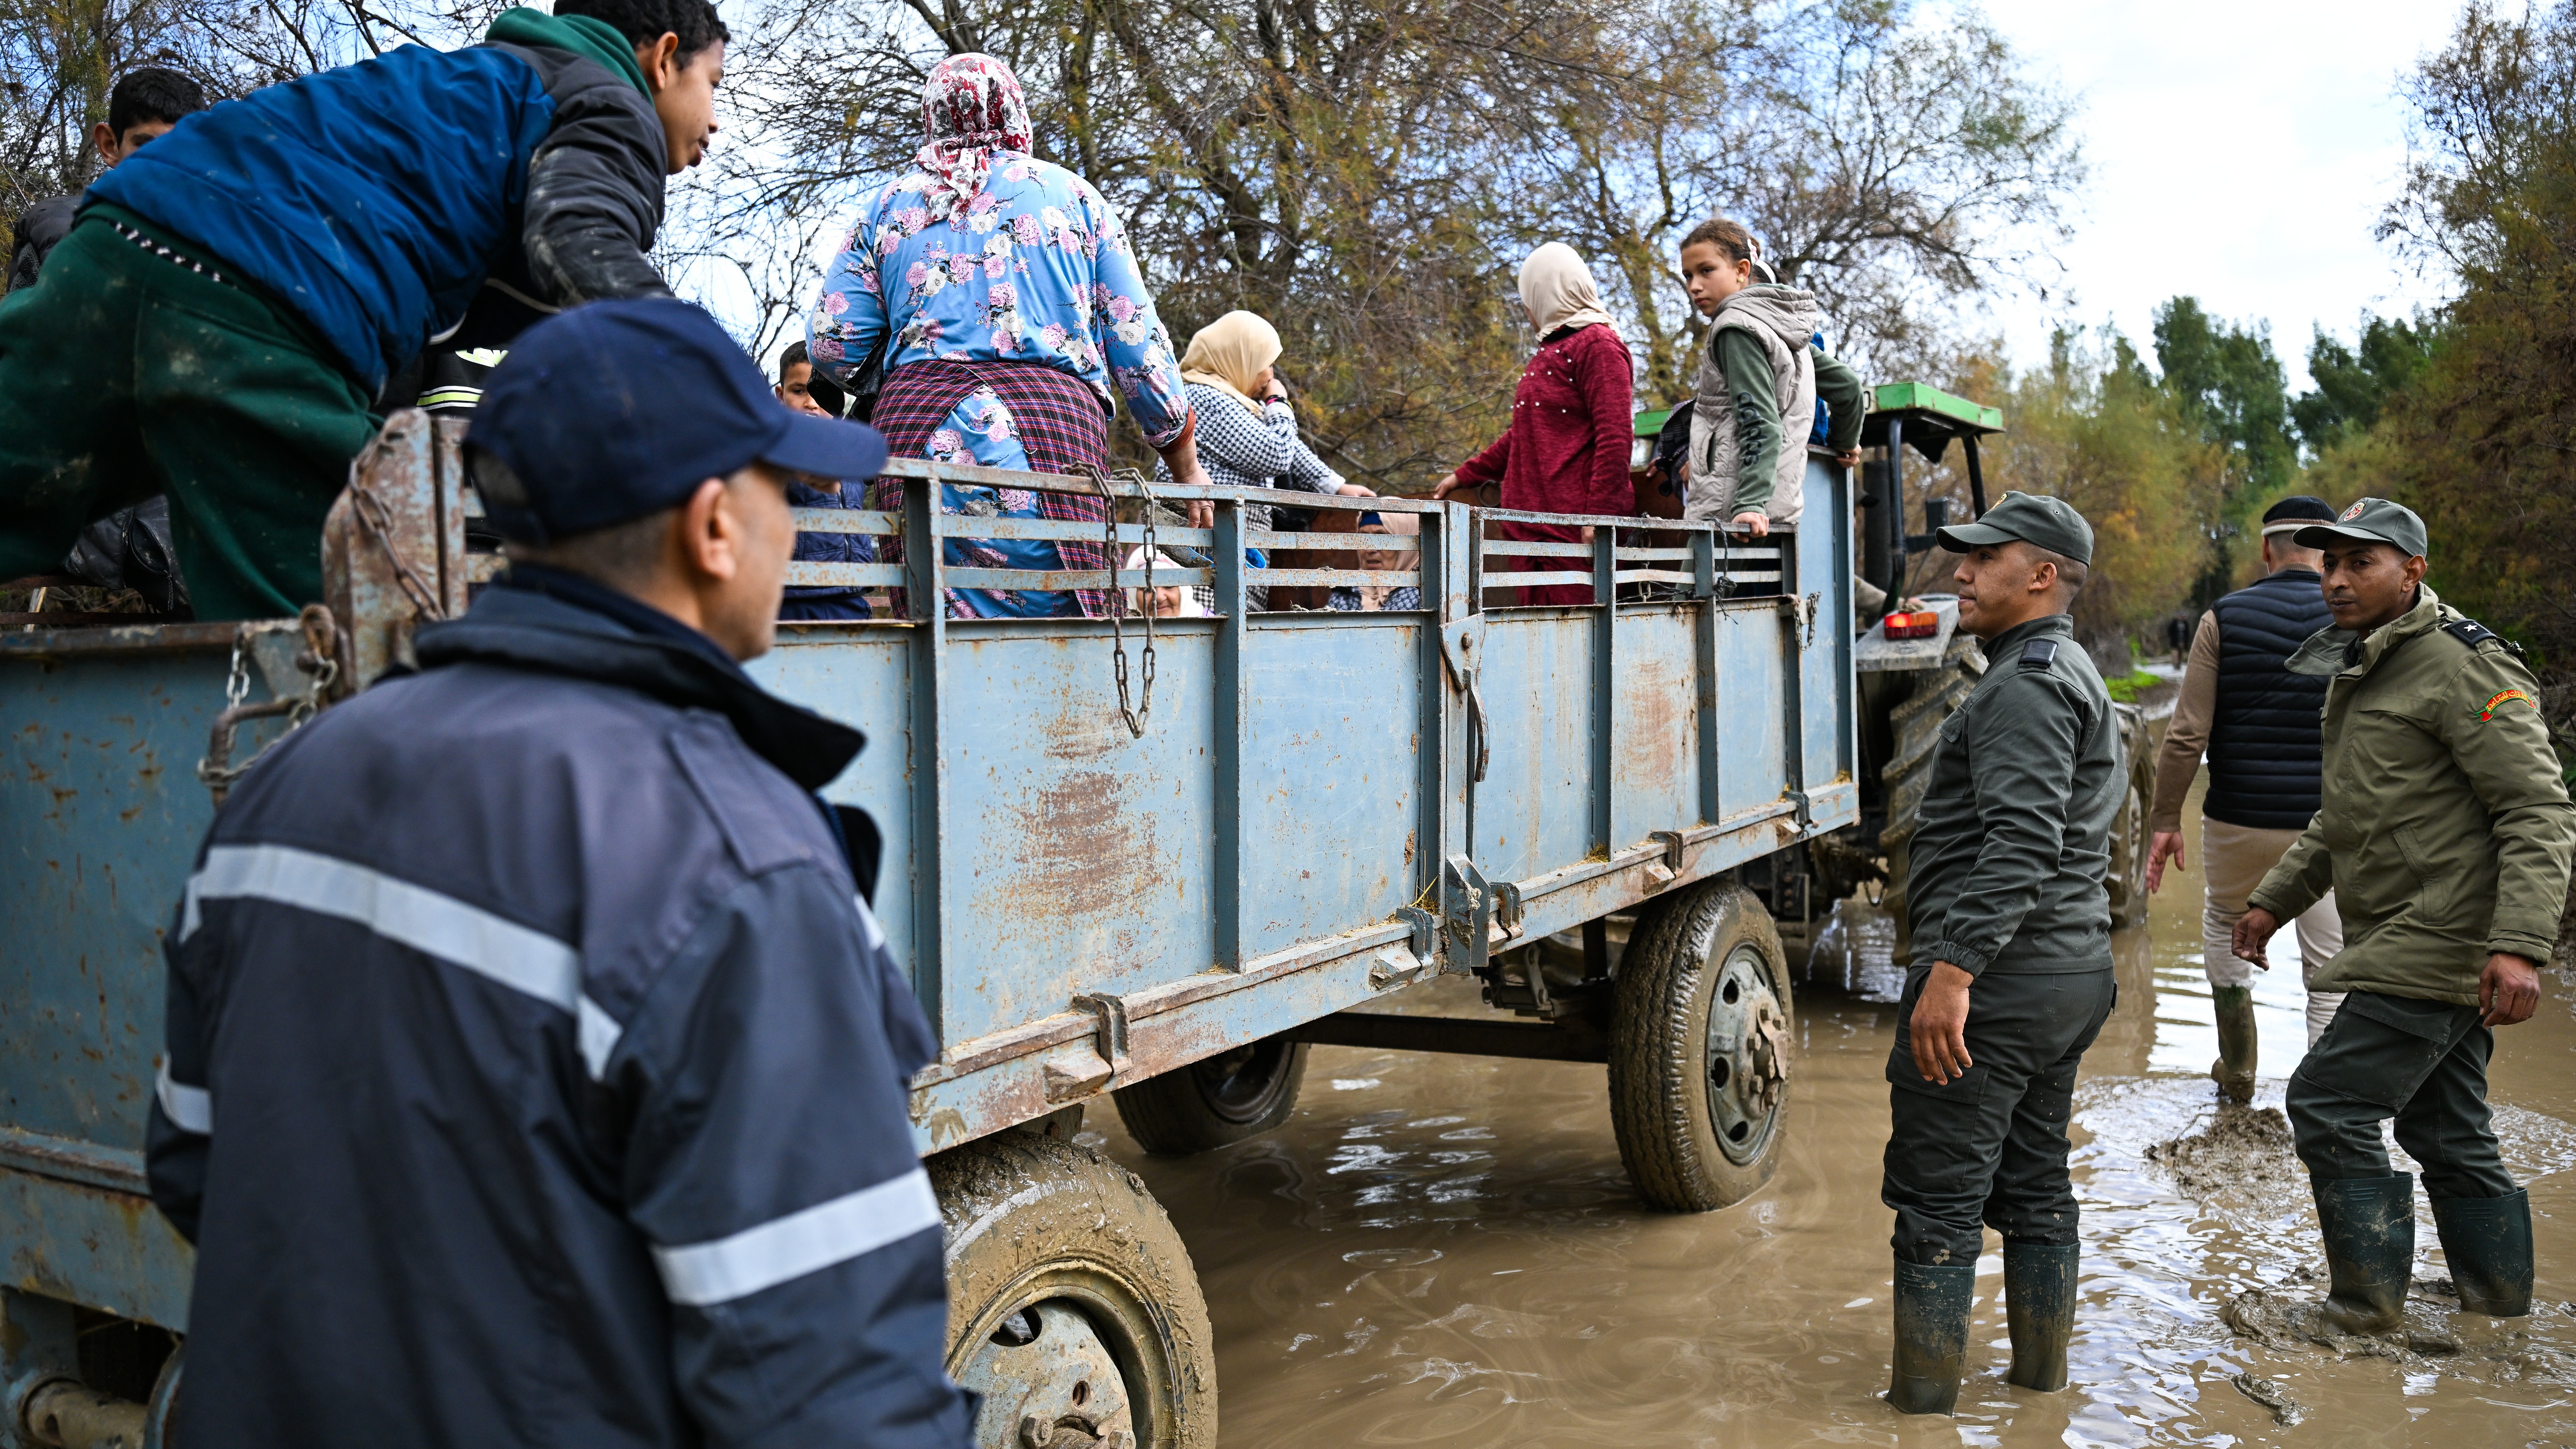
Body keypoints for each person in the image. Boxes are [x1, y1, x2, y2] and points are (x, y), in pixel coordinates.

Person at [145, 298, 970, 1447]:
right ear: (714, 527)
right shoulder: (735, 866)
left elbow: (194, 1163)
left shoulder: (291, 781)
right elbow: (834, 1397)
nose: (799, 521)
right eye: (786, 487)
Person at [0, 0, 724, 620]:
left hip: (117, 237)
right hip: (259, 304)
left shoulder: (454, 94)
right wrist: (717, 390)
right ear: (663, 61)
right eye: (715, 85)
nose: (715, 122)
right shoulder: (607, 101)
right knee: (329, 646)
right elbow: (578, 240)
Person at [2233, 497, 2575, 1333]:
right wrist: (2275, 899)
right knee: (2443, 1121)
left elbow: (2538, 809)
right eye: (2329, 564)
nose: (2338, 580)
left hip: (2443, 935)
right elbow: (2347, 815)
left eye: (2361, 563)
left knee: (2327, 1101)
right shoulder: (2365, 663)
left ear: (2413, 571)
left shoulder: (2465, 666)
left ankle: (2364, 1312)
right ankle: (2498, 1311)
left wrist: (2522, 946)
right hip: (2400, 928)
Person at [808, 52, 1209, 621]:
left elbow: (830, 345)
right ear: (1015, 110)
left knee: (935, 643)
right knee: (1056, 644)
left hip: (921, 443)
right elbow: (1138, 350)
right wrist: (1184, 463)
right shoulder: (1074, 199)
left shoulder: (887, 208)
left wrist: (897, 370)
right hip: (1051, 442)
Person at [1880, 490, 2121, 1416]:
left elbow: (2022, 842)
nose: (1961, 574)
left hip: (2003, 983)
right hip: (2067, 974)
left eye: (1986, 559)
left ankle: (1921, 1411)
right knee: (2036, 1183)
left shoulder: (2024, 684)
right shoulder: (2069, 670)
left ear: (2045, 575)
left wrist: (1953, 972)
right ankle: (2040, 1396)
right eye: (1963, 558)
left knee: (1937, 1205)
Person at [2145, 495, 2346, 1102]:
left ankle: (2238, 1070)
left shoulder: (2223, 617)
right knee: (2331, 965)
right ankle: (2326, 1095)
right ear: (2331, 552)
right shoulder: (2356, 618)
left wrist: (2165, 819)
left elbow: (2186, 734)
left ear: (2266, 550)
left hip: (2238, 820)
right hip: (2329, 826)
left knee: (2224, 925)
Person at [1428, 242, 1634, 604]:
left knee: (1577, 649)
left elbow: (1615, 437)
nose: (1526, 309)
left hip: (1572, 536)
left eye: (1527, 296)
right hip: (1529, 533)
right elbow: (1524, 436)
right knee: (1538, 653)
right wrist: (1465, 475)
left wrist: (1600, 519)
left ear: (1547, 292)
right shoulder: (1548, 353)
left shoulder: (1598, 345)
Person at [1156, 308, 1370, 607]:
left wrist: (1336, 486)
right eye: (1264, 364)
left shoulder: (1232, 402)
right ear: (1237, 359)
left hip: (1230, 559)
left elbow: (1286, 446)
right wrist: (1278, 403)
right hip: (1203, 574)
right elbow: (1276, 452)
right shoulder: (1206, 399)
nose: (1270, 375)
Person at [1673, 218, 1866, 535]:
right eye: (1688, 276)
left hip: (1732, 508)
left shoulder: (1734, 328)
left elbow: (1759, 419)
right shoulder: (1780, 329)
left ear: (1742, 270)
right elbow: (1848, 386)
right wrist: (1845, 443)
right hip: (1774, 505)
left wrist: (1749, 503)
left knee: (1692, 585)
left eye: (1707, 271)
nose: (1694, 285)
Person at [9, 66, 206, 293]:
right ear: (110, 146)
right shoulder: (56, 231)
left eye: (180, 151)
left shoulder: (227, 246)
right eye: (146, 147)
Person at [774, 339, 876, 621]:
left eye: (823, 394)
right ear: (781, 396)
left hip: (850, 593)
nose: (811, 403)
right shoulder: (777, 448)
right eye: (799, 391)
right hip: (793, 595)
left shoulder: (851, 446)